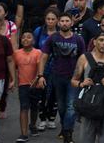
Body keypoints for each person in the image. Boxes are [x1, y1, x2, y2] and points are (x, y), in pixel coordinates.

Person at [37, 12, 85, 143]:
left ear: (71, 23)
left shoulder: (78, 39)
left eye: (67, 21)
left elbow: (83, 58)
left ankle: (67, 134)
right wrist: (40, 75)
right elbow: (44, 57)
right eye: (62, 21)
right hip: (57, 76)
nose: (64, 23)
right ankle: (65, 128)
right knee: (62, 107)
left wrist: (82, 76)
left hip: (73, 78)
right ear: (59, 23)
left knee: (71, 106)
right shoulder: (53, 38)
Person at [72, 30, 104, 143]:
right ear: (94, 42)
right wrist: (82, 84)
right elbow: (73, 81)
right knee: (85, 140)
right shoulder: (84, 58)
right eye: (101, 40)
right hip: (88, 105)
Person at [12, 30, 42, 143]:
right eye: (23, 37)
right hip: (22, 85)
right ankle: (24, 134)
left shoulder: (38, 52)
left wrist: (38, 79)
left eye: (29, 37)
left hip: (35, 85)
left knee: (34, 107)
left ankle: (33, 125)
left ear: (33, 41)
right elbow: (13, 68)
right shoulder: (17, 53)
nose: (25, 39)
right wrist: (13, 81)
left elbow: (40, 67)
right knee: (24, 107)